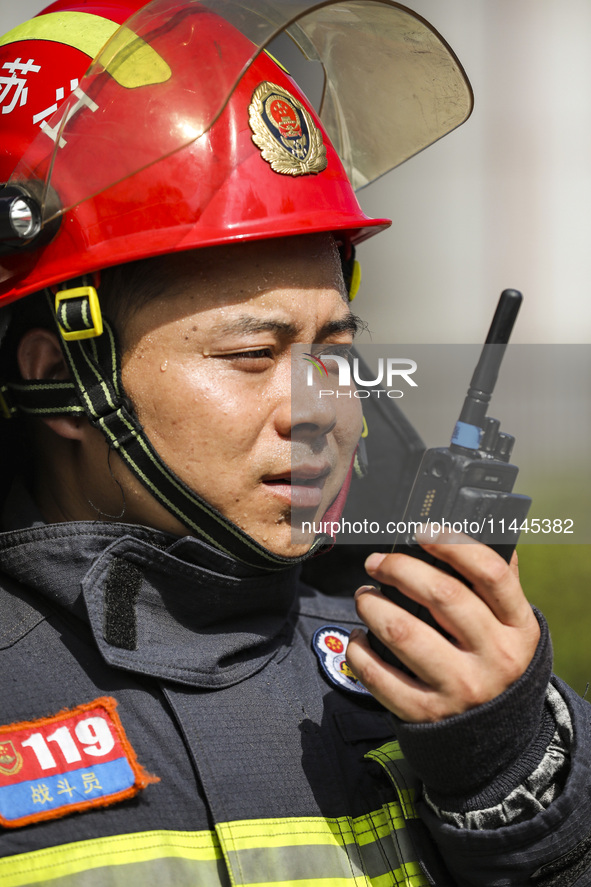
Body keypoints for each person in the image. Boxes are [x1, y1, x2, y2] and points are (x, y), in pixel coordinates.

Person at [0, 2, 589, 885]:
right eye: (251, 355)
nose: (322, 410)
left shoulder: (429, 656)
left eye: (337, 351)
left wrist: (519, 780)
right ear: (62, 376)